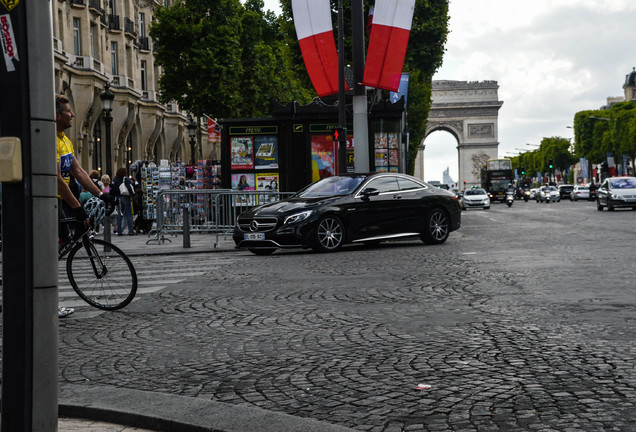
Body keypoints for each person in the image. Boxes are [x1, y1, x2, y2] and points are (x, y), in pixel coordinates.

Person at [56, 94, 114, 317]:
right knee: (49, 254)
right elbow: (57, 178)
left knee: (56, 251)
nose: (73, 114)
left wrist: (102, 194)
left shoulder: (65, 140)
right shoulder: (51, 139)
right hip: (52, 200)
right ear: (57, 116)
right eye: (68, 111)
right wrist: (78, 208)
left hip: (63, 200)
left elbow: (78, 172)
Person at [112, 167, 135, 235]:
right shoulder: (125, 179)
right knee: (128, 214)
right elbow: (129, 188)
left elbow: (113, 188)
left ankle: (119, 231)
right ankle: (131, 231)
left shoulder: (115, 179)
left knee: (119, 215)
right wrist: (132, 196)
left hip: (118, 198)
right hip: (125, 197)